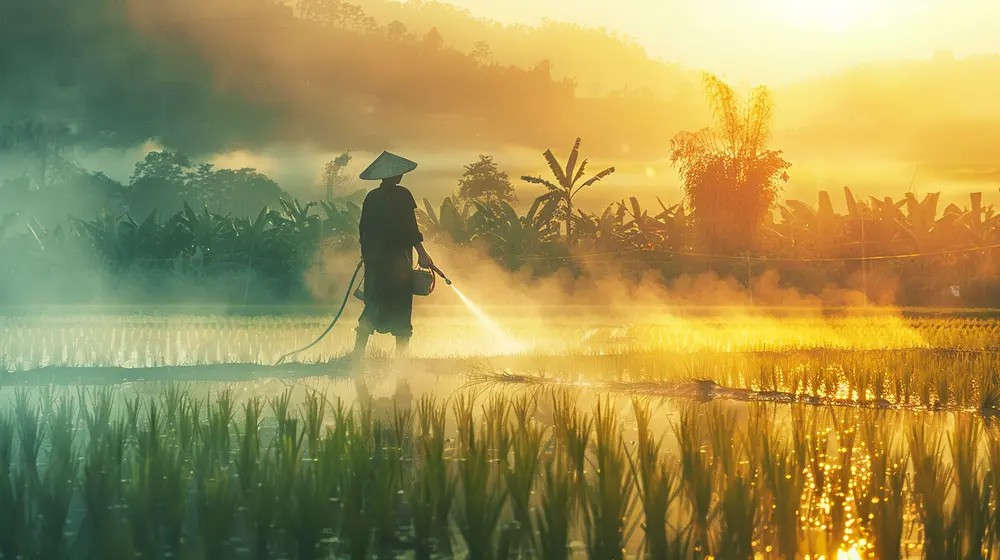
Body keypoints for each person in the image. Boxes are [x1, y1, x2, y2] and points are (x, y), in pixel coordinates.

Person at [351, 151, 435, 364]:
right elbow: (410, 229)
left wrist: (367, 255)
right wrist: (423, 254)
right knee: (400, 309)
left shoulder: (372, 197)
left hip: (376, 263)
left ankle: (356, 358)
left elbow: (364, 230)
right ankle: (401, 362)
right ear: (395, 175)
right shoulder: (402, 195)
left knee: (372, 305)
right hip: (399, 264)